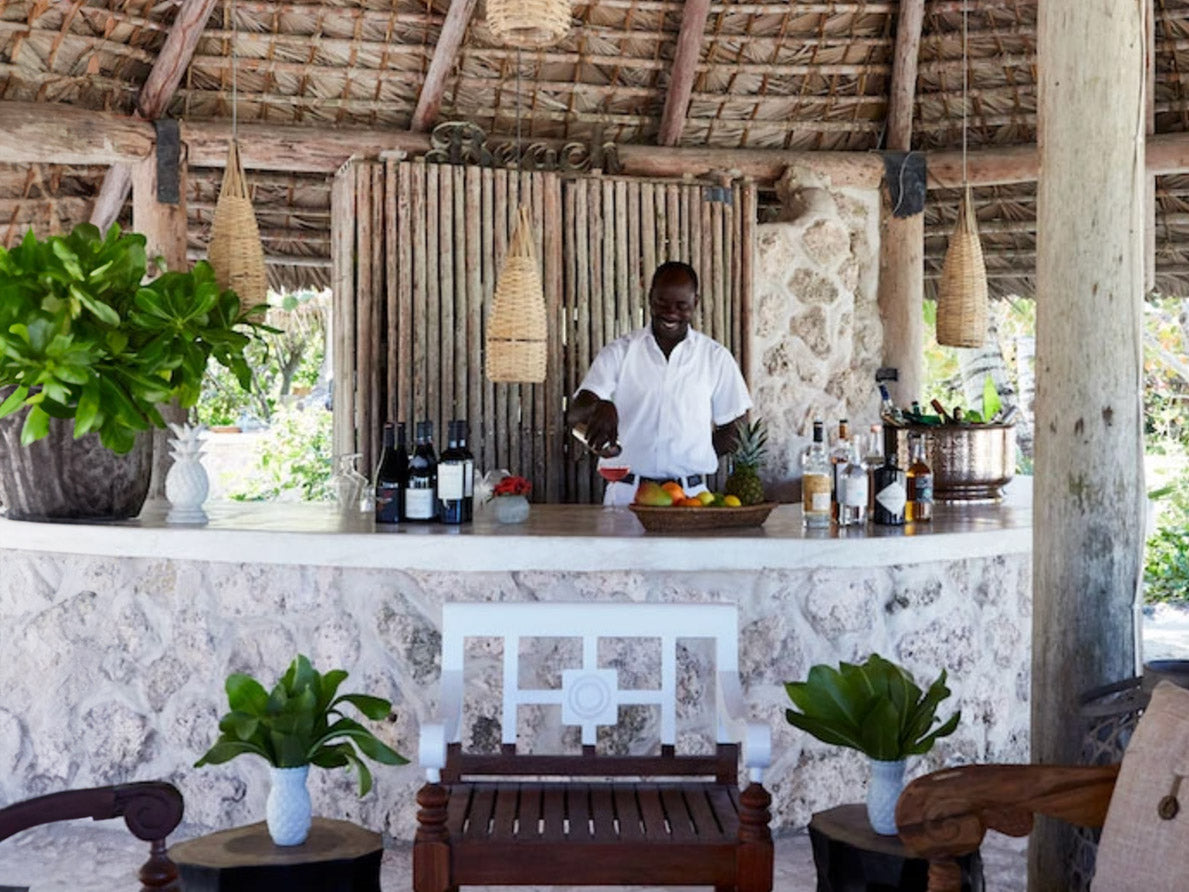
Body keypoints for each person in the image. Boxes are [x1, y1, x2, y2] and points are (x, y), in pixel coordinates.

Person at [566, 261, 751, 506]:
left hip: (691, 498)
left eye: (681, 305)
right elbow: (575, 412)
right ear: (650, 298)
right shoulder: (620, 352)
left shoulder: (715, 357)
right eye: (662, 303)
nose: (671, 313)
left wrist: (692, 455)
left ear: (695, 302)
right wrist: (599, 407)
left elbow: (735, 426)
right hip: (627, 495)